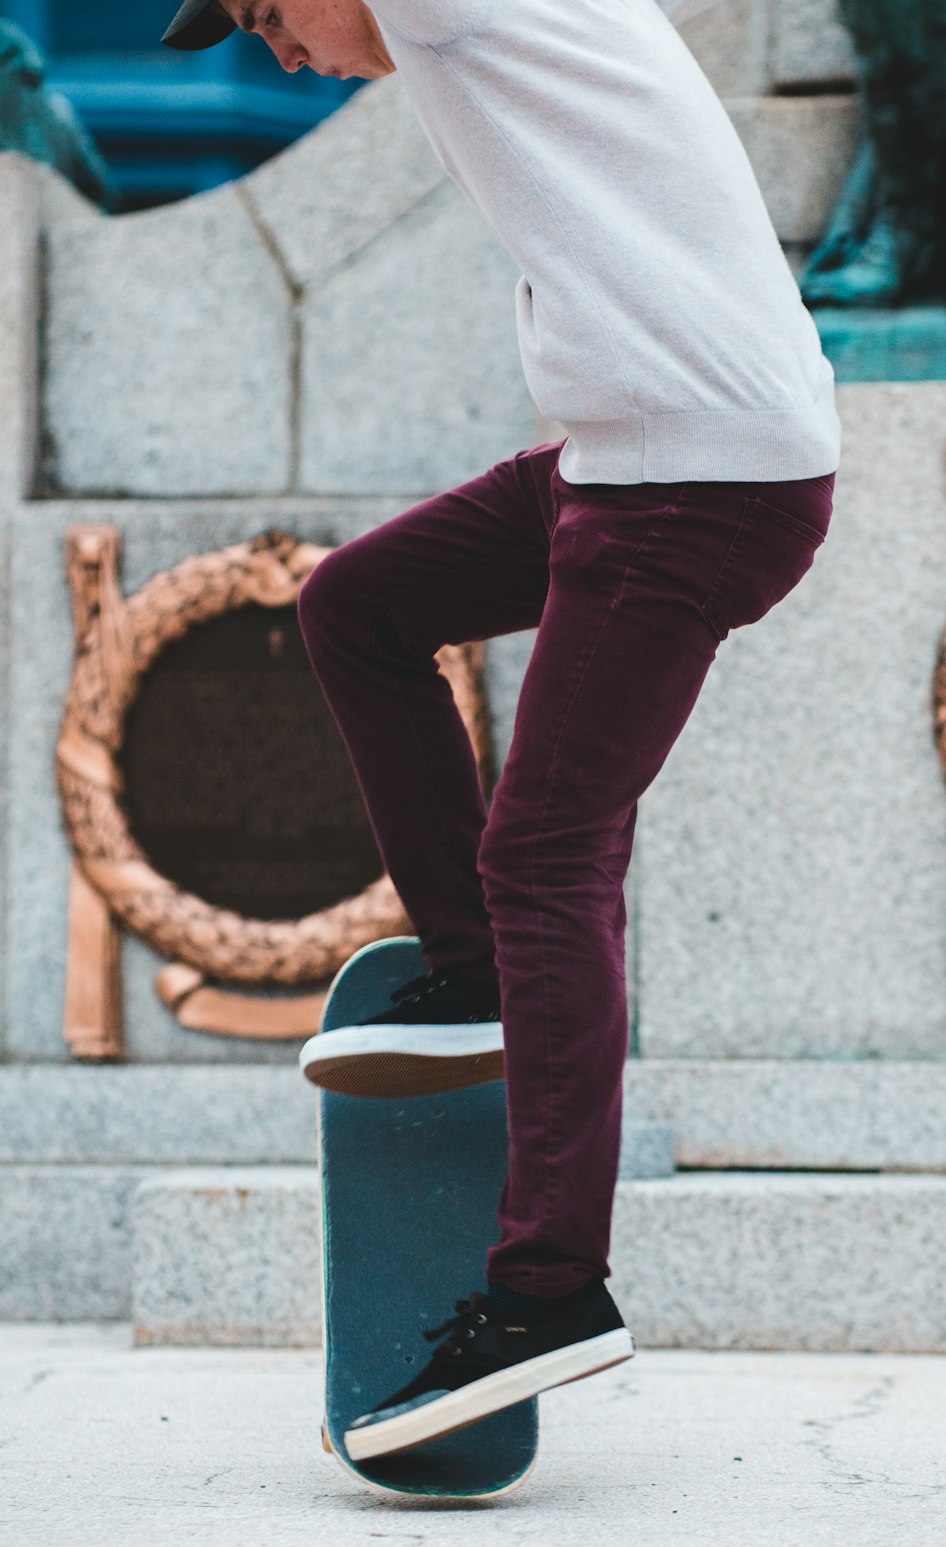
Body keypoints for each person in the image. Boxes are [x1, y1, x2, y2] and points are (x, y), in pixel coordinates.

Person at [163, 0, 840, 1457]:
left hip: (694, 483)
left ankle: (551, 1291)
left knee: (548, 848)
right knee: (358, 604)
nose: (275, 52)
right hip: (629, 458)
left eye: (268, 14)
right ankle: (469, 969)